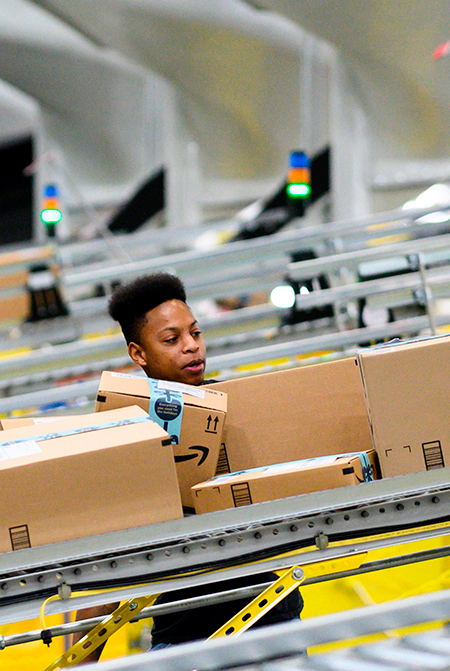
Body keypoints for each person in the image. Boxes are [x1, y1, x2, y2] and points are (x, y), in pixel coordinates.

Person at [107, 272, 303, 649]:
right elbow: (108, 551)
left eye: (195, 334)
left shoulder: (235, 412)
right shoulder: (125, 434)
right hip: (186, 635)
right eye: (171, 339)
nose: (191, 347)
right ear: (138, 353)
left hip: (273, 619)